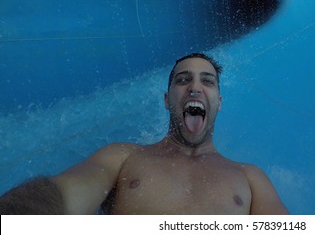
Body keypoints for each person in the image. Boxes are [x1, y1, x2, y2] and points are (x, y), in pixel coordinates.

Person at [0, 52, 288, 215]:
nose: (194, 87)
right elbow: (67, 191)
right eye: (183, 80)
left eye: (207, 81)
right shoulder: (123, 158)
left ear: (219, 102)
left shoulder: (249, 177)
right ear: (167, 99)